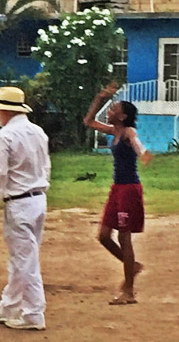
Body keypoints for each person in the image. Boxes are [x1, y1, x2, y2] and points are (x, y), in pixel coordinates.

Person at [0, 87, 50, 331]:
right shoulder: (38, 132)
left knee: (24, 260)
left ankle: (33, 313)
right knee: (23, 257)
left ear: (3, 110)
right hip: (38, 198)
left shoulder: (3, 137)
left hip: (19, 202)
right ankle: (9, 305)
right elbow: (46, 167)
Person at [83, 83, 151, 305]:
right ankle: (133, 267)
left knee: (124, 237)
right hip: (117, 189)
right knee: (103, 236)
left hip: (130, 189)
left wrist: (143, 153)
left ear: (122, 116)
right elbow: (89, 121)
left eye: (113, 109)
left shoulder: (128, 131)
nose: (109, 111)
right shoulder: (114, 130)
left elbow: (136, 142)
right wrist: (99, 96)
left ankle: (129, 291)